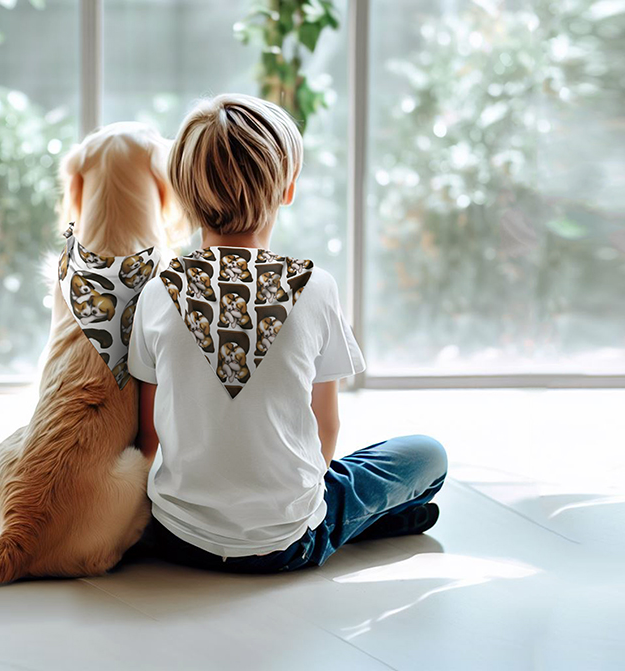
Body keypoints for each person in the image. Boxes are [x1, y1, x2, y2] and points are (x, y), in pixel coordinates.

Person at [125, 93, 447, 573]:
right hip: (284, 543)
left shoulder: (156, 291)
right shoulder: (315, 287)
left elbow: (150, 439)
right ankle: (352, 524)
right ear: (287, 188)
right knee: (426, 455)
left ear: (185, 192)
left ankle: (353, 522)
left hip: (177, 536)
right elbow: (326, 431)